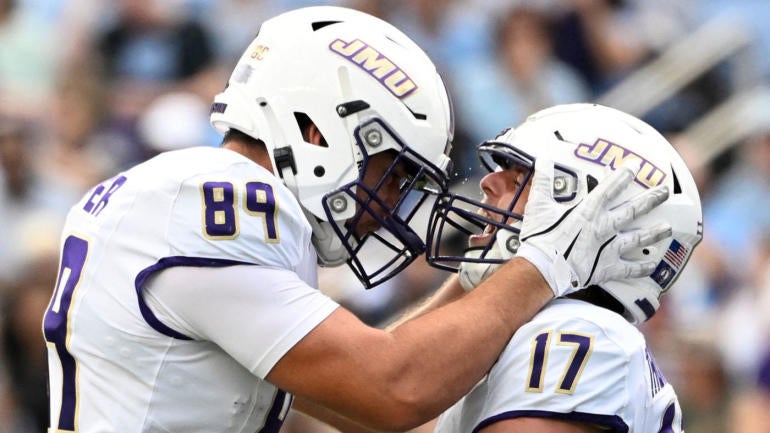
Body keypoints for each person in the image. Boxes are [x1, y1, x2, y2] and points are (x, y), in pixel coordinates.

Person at [41, 8, 670, 433]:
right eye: (391, 169)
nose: (394, 200)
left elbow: (364, 400)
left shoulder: (190, 196)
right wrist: (541, 266)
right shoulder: (220, 199)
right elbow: (390, 389)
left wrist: (478, 280)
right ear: (316, 127)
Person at [425, 103, 703, 433]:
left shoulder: (578, 330)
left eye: (517, 180)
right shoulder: (549, 330)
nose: (487, 182)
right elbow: (384, 400)